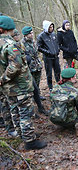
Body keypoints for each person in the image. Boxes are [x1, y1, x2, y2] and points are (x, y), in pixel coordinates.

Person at [0, 16, 47, 150]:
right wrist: (3, 79)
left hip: (8, 89)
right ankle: (30, 141)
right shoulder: (11, 44)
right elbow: (16, 65)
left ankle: (24, 135)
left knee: (15, 112)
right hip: (19, 87)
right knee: (25, 113)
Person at [12, 29, 48, 117]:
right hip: (20, 73)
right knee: (26, 94)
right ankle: (31, 113)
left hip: (27, 71)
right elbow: (18, 60)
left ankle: (40, 108)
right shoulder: (12, 46)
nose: (18, 36)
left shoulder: (20, 44)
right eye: (16, 35)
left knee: (35, 89)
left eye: (17, 35)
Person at [37, 20, 61, 91]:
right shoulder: (41, 36)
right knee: (49, 73)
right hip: (48, 58)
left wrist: (58, 49)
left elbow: (57, 43)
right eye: (50, 27)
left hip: (56, 56)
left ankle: (59, 84)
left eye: (52, 27)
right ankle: (50, 88)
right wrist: (48, 52)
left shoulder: (53, 34)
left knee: (58, 71)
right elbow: (39, 47)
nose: (52, 28)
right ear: (46, 27)